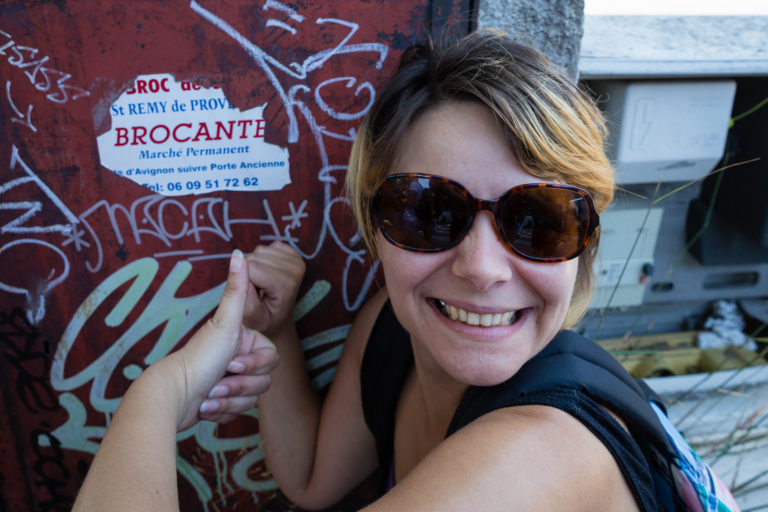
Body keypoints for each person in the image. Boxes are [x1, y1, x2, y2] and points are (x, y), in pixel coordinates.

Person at [73, 29, 653, 511]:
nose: (481, 268)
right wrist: (275, 331)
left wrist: (159, 393)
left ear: (585, 245)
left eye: (540, 221)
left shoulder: (542, 457)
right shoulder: (397, 330)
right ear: (375, 224)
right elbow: (311, 479)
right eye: (429, 212)